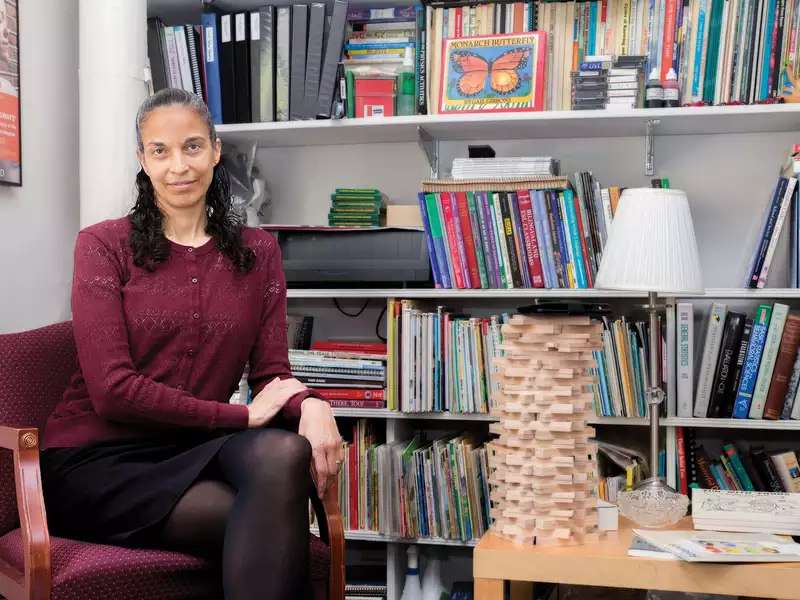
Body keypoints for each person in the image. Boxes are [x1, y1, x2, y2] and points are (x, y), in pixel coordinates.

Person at [39, 87, 344, 600]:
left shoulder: (258, 253)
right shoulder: (102, 245)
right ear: (142, 159)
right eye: (160, 150)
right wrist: (240, 418)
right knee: (275, 516)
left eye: (192, 146)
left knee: (284, 454)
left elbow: (271, 372)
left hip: (193, 449)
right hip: (98, 462)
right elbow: (113, 390)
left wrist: (311, 403)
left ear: (216, 150)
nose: (178, 166)